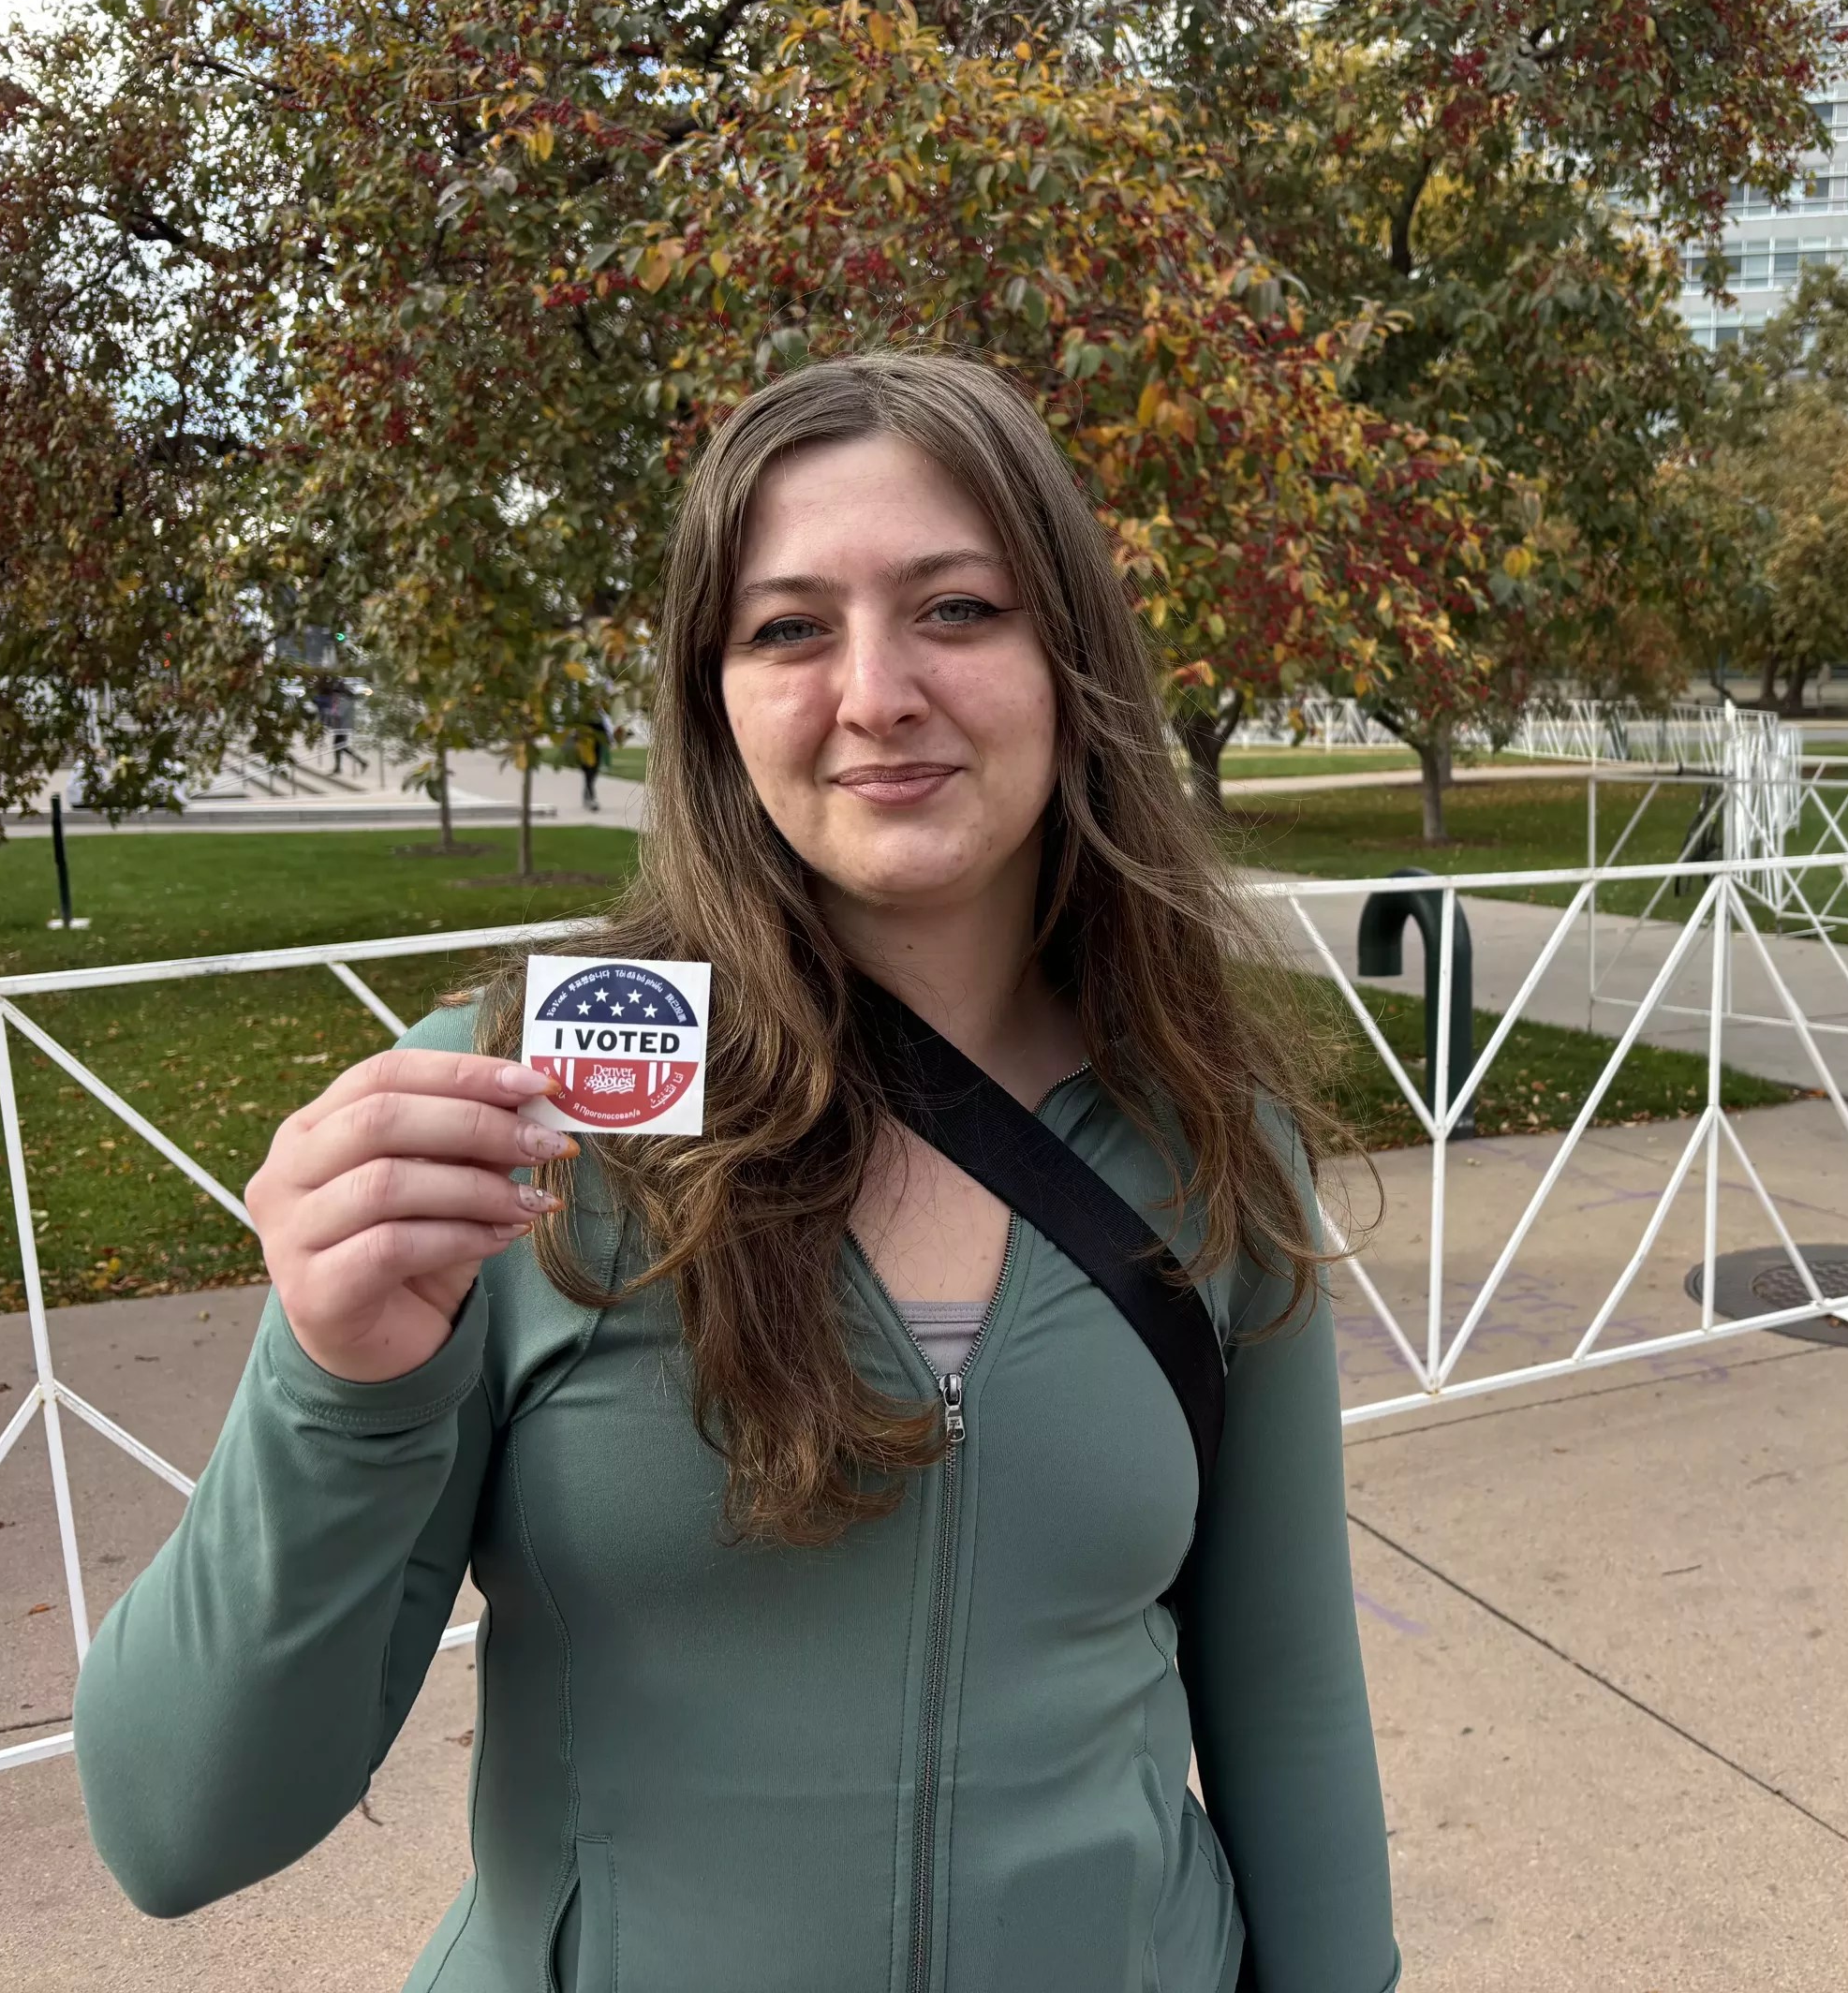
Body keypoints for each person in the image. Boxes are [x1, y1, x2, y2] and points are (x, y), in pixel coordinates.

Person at [72, 351, 1399, 1993]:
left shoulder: (1211, 1132)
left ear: (1071, 659)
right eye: (788, 629)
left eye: (958, 608)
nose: (877, 691)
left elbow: (1285, 1699)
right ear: (714, 702)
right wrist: (336, 1383)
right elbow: (173, 1828)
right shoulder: (517, 1121)